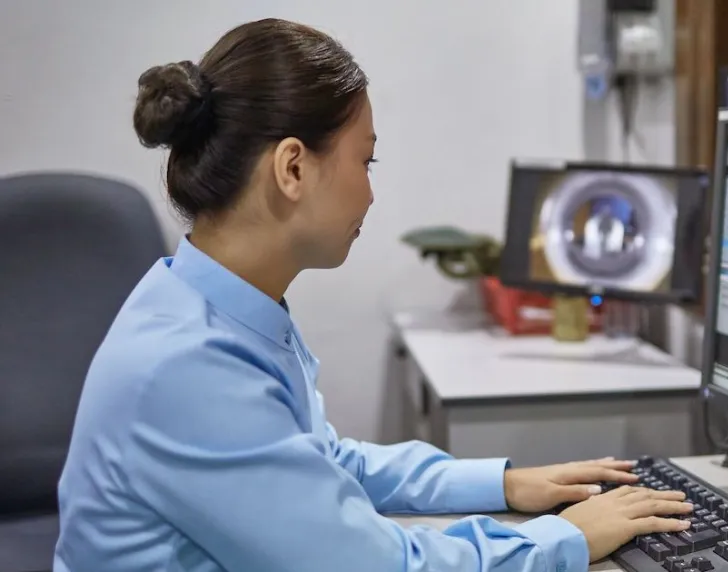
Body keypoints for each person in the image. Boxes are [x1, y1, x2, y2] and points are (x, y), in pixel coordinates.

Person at [53, 18, 693, 572]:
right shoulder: (189, 367)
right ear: (293, 168)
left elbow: (324, 462)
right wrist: (565, 539)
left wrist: (502, 483)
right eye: (366, 163)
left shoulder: (215, 306)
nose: (370, 194)